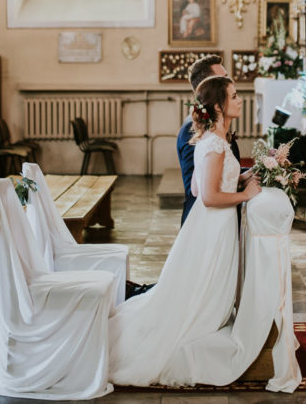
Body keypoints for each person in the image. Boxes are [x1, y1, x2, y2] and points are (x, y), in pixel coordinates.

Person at [108, 75, 261, 386]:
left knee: (197, 284)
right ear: (218, 106)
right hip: (215, 225)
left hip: (205, 225)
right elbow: (208, 196)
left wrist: (240, 179)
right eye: (234, 96)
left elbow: (195, 185)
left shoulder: (209, 139)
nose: (240, 100)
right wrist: (244, 195)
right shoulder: (216, 143)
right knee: (206, 293)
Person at [177, 55, 242, 224]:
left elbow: (219, 173)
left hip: (221, 216)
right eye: (223, 78)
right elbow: (199, 187)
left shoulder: (212, 127)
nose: (229, 81)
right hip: (205, 220)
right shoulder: (191, 131)